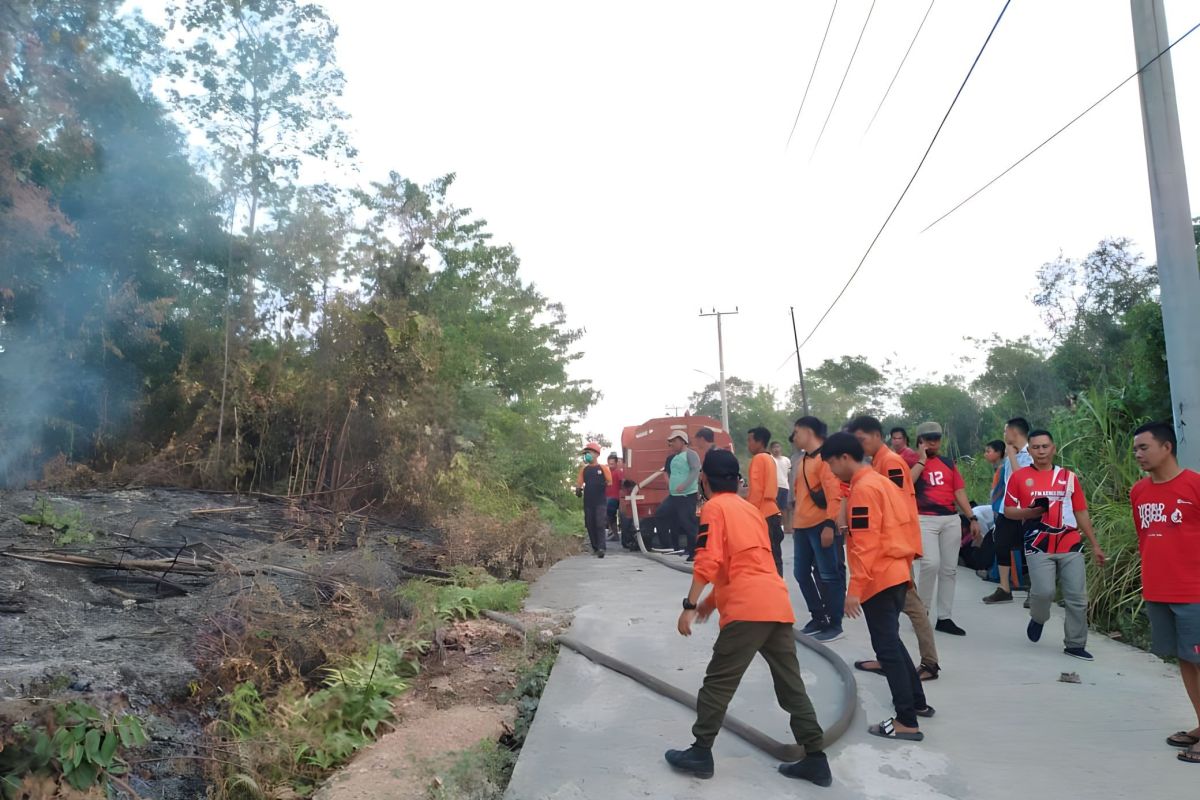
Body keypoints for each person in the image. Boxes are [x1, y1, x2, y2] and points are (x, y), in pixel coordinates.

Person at [665, 449, 831, 787]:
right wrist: (712, 602)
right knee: (791, 686)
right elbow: (748, 563)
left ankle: (700, 751)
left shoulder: (713, 507)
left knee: (718, 684)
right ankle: (816, 758)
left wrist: (689, 604)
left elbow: (709, 559)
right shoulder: (751, 511)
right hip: (776, 604)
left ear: (704, 479)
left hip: (747, 610)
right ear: (736, 480)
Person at [821, 432, 933, 741]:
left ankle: (906, 722)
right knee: (893, 644)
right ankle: (918, 703)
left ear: (845, 458)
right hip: (894, 572)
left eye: (831, 463)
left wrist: (854, 589)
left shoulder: (865, 489)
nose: (830, 471)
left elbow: (866, 544)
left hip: (879, 578)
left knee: (887, 649)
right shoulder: (877, 482)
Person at [846, 416, 942, 681]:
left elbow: (895, 505)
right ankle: (887, 657)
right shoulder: (877, 462)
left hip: (895, 546)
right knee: (892, 609)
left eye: (862, 439)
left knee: (911, 605)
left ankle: (930, 662)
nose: (859, 445)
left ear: (877, 436)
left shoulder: (890, 462)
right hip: (891, 545)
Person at [1129, 421, 1200, 764]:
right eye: (1135, 450)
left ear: (1166, 447)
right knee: (1186, 659)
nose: (1138, 454)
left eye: (1144, 447)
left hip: (1194, 590)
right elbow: (1145, 538)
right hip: (1159, 589)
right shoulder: (1138, 492)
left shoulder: (1195, 486)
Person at [1004, 429, 1106, 661]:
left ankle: (1075, 644)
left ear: (1054, 448)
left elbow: (1080, 511)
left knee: (1077, 597)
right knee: (1044, 592)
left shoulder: (1069, 477)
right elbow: (1009, 510)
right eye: (1036, 447)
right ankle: (1038, 617)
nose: (1041, 451)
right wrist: (1029, 512)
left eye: (1045, 446)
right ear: (1029, 451)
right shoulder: (1018, 478)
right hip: (1037, 543)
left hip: (1070, 543)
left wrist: (1094, 544)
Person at [911, 422, 980, 636]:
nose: (933, 442)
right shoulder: (910, 463)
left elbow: (958, 491)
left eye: (937, 438)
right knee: (930, 564)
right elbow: (906, 485)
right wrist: (922, 460)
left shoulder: (948, 463)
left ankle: (944, 617)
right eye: (928, 438)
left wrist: (971, 517)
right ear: (920, 440)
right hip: (925, 519)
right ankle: (921, 614)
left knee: (949, 569)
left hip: (950, 519)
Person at [791, 416, 846, 643]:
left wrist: (829, 525)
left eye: (797, 432)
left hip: (820, 525)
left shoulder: (826, 459)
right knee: (801, 573)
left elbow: (835, 494)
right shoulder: (802, 460)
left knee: (829, 575)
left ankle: (835, 623)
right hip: (802, 526)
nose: (794, 437)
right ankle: (818, 616)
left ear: (809, 431)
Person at [983, 418, 1034, 605]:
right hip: (1007, 508)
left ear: (1014, 432)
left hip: (1025, 510)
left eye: (1006, 431)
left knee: (1030, 548)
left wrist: (1011, 455)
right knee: (1001, 545)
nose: (1004, 435)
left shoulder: (1031, 452)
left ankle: (1035, 590)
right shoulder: (1010, 454)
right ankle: (1004, 588)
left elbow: (1022, 479)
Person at [746, 427, 785, 576]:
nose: (748, 444)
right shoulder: (770, 459)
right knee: (776, 557)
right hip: (773, 511)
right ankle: (779, 591)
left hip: (762, 514)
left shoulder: (758, 459)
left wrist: (749, 514)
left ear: (760, 442)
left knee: (767, 558)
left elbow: (756, 490)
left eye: (750, 440)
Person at [660, 430, 702, 560]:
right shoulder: (674, 457)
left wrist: (684, 485)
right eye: (670, 442)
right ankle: (668, 545)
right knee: (661, 514)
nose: (671, 444)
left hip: (686, 495)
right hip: (674, 495)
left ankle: (694, 552)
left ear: (682, 441)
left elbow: (695, 470)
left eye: (674, 441)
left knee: (688, 523)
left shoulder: (691, 454)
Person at [575, 442, 612, 557]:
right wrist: (578, 490)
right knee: (590, 524)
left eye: (589, 452)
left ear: (596, 454)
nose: (587, 455)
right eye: (586, 453)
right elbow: (579, 483)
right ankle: (595, 547)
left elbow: (610, 482)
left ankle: (601, 547)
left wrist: (603, 484)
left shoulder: (603, 468)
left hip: (600, 501)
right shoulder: (584, 470)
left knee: (600, 523)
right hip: (588, 502)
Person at [605, 452, 625, 541]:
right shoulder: (606, 472)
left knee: (609, 511)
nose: (610, 465)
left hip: (615, 497)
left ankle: (615, 533)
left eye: (612, 464)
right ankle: (613, 532)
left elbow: (623, 482)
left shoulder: (618, 472)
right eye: (609, 463)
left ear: (616, 463)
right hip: (607, 497)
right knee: (608, 514)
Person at [770, 441, 792, 515]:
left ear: (781, 448)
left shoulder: (786, 460)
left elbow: (789, 474)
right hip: (774, 487)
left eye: (778, 447)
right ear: (771, 449)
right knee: (774, 508)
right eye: (774, 447)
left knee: (784, 508)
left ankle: (784, 525)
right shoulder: (770, 459)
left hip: (784, 487)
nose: (776, 449)